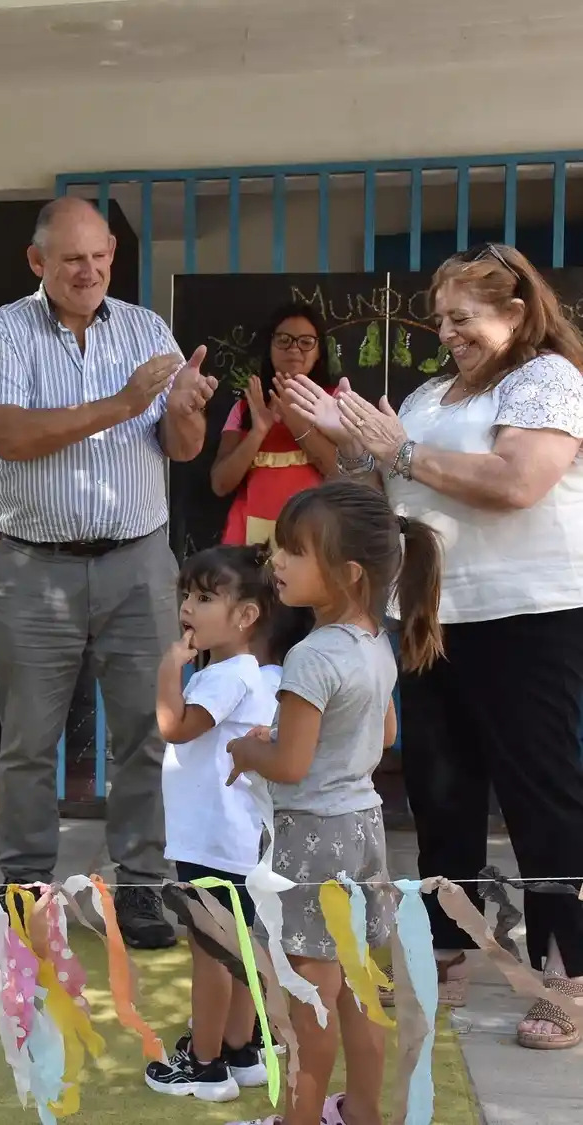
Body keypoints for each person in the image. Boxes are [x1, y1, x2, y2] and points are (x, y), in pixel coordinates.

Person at [283, 243, 583, 1050]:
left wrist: (398, 451)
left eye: (464, 317)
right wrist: (341, 443)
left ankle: (569, 972)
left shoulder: (548, 378)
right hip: (429, 617)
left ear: (516, 313)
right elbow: (381, 491)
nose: (446, 331)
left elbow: (518, 481)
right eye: (441, 317)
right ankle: (448, 946)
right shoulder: (427, 394)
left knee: (539, 797)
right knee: (441, 794)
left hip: (527, 616)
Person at [0, 196, 219, 948]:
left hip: (138, 560)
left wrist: (188, 408)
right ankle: (27, 887)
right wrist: (123, 401)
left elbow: (180, 446)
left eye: (101, 256)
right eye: (73, 258)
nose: (90, 271)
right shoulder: (2, 331)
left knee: (146, 729)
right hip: (34, 565)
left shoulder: (147, 328)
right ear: (37, 261)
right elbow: (7, 436)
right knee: (29, 739)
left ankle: (141, 884)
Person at [224, 480, 443, 1125]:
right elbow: (381, 734)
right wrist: (296, 741)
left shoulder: (311, 655)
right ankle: (364, 1112)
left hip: (309, 838)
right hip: (363, 828)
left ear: (348, 574)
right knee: (354, 989)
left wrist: (247, 752)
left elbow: (290, 766)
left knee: (307, 997)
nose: (277, 562)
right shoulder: (374, 641)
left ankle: (301, 1117)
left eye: (294, 551)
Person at [146, 545, 291, 1102]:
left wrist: (167, 670)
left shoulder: (221, 677)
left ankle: (203, 1065)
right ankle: (240, 1050)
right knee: (238, 946)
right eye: (187, 594)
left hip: (210, 840)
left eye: (206, 597)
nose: (189, 607)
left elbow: (174, 727)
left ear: (246, 615)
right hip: (237, 837)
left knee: (211, 953)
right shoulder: (259, 673)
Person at [211, 303, 338, 546]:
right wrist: (258, 431)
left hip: (312, 543)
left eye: (306, 341)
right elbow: (220, 484)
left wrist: (296, 422)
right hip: (250, 549)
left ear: (319, 350)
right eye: (283, 339)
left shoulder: (334, 402)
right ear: (269, 346)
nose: (294, 349)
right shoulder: (246, 407)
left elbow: (342, 473)